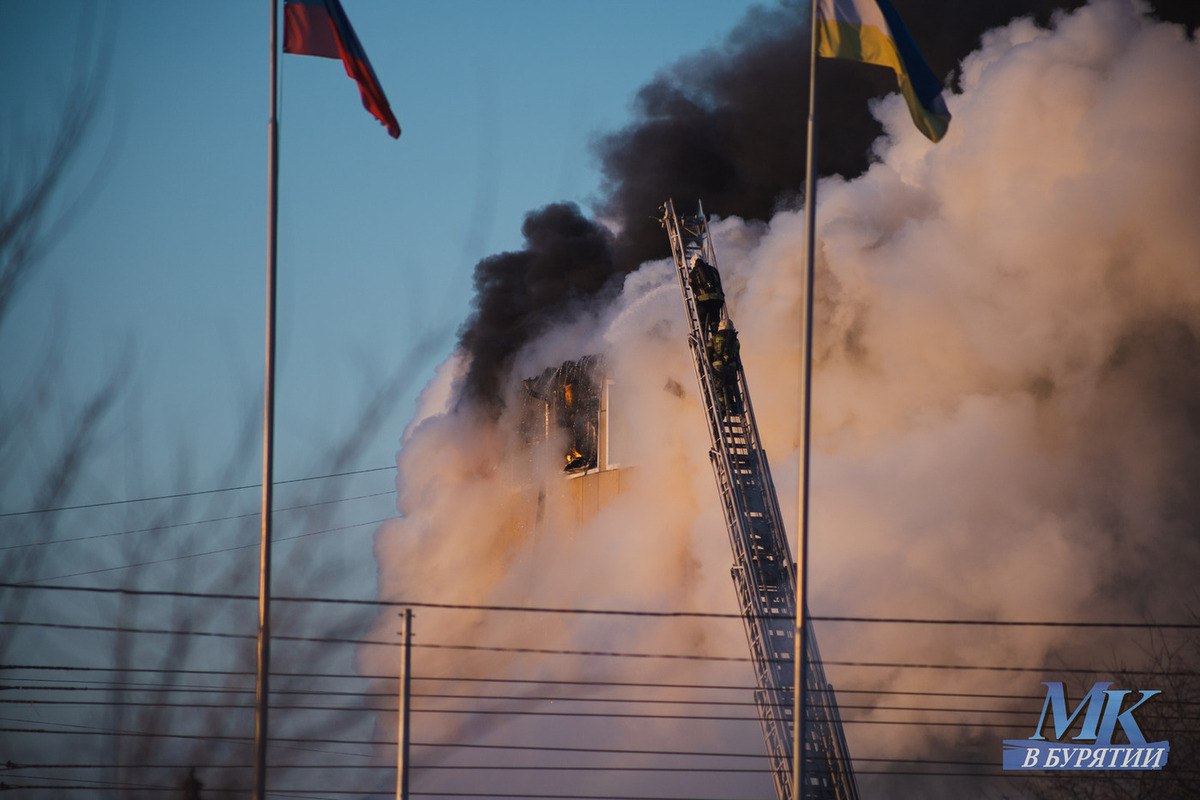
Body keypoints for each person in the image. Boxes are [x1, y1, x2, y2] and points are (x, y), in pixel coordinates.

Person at [707, 319, 743, 416]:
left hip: (718, 366)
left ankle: (722, 409)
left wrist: (709, 363)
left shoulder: (714, 338)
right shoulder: (735, 340)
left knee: (718, 387)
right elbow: (736, 353)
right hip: (731, 367)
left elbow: (708, 352)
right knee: (730, 387)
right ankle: (732, 405)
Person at [688, 253, 725, 337]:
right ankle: (716, 341)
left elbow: (692, 285)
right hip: (718, 300)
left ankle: (703, 341)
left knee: (702, 323)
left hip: (703, 301)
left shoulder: (693, 272)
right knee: (715, 321)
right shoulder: (713, 269)